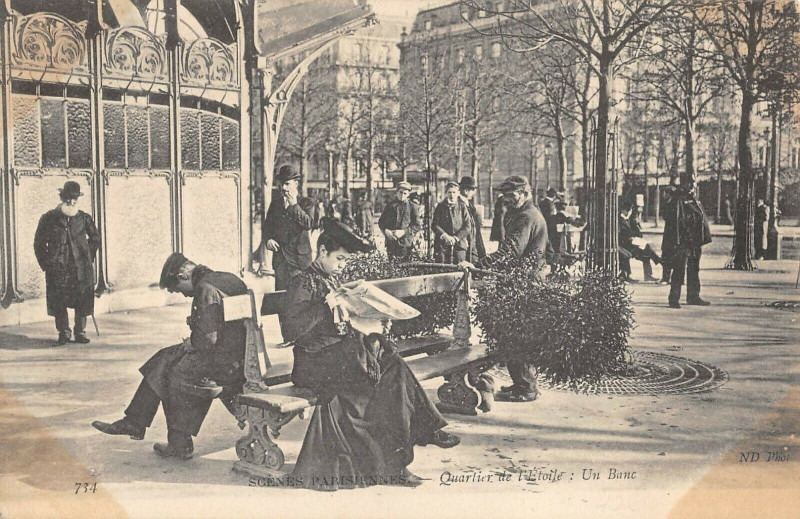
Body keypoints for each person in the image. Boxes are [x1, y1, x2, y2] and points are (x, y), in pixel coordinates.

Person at [286, 218, 460, 490]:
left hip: (338, 357)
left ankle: (411, 446)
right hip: (314, 362)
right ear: (322, 252)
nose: (342, 266)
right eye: (339, 259)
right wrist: (324, 306)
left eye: (345, 261)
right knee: (384, 379)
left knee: (392, 366)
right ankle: (411, 445)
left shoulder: (329, 279)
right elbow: (291, 329)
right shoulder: (302, 281)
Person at [91, 253, 249, 459]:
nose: (182, 294)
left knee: (171, 373)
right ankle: (136, 423)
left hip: (223, 362)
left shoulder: (205, 288)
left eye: (178, 289)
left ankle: (173, 441)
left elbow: (207, 340)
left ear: (183, 276)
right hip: (237, 354)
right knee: (164, 356)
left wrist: (191, 341)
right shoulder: (227, 278)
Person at [459, 176, 550, 403]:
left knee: (516, 336)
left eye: (512, 195)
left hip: (522, 285)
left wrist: (478, 267)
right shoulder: (525, 213)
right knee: (517, 335)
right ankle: (522, 383)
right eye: (505, 196)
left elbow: (510, 252)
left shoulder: (527, 216)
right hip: (523, 282)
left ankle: (526, 388)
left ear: (525, 193)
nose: (507, 200)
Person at [34, 181, 101, 346]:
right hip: (58, 268)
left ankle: (80, 332)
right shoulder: (49, 218)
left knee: (82, 298)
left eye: (75, 199)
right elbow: (39, 243)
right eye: (68, 198)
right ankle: (64, 332)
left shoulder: (84, 218)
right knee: (59, 300)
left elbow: (95, 238)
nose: (72, 202)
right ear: (62, 198)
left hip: (80, 268)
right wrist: (47, 263)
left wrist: (88, 256)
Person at [662, 178, 712, 308]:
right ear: (684, 183)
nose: (693, 185)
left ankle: (693, 296)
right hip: (683, 240)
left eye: (693, 183)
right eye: (690, 183)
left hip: (694, 240)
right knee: (679, 269)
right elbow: (676, 221)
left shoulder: (692, 198)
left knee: (694, 269)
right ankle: (674, 298)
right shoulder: (678, 199)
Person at [262, 165, 314, 290]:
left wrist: (294, 205)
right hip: (281, 261)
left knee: (299, 296)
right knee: (281, 296)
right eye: (282, 184)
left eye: (287, 184)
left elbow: (308, 224)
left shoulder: (307, 203)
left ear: (296, 183)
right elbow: (267, 227)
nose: (284, 188)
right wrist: (268, 240)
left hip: (299, 261)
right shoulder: (275, 204)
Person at [618, 202, 662, 282]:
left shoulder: (629, 219)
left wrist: (636, 235)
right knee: (646, 249)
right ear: (623, 210)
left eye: (630, 210)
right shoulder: (619, 220)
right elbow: (620, 235)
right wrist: (631, 239)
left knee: (646, 252)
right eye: (628, 210)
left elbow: (635, 232)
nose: (629, 212)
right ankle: (658, 259)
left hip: (631, 244)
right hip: (625, 246)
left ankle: (648, 275)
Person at [432, 181, 473, 264]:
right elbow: (435, 225)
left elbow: (467, 226)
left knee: (460, 266)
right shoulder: (440, 206)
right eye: (449, 192)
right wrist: (445, 236)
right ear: (446, 193)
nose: (452, 195)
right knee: (442, 267)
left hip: (459, 244)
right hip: (443, 245)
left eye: (454, 192)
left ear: (458, 193)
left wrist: (456, 238)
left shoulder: (462, 206)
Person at [378, 182, 421, 261]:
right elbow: (381, 222)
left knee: (405, 266)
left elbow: (417, 226)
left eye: (405, 193)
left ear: (408, 194)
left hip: (406, 244)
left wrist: (403, 232)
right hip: (391, 243)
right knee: (392, 266)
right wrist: (386, 231)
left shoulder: (412, 207)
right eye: (400, 192)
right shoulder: (390, 206)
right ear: (397, 192)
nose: (402, 195)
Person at [460, 176, 486, 263]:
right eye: (473, 190)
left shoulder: (469, 205)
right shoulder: (459, 205)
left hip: (472, 244)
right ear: (466, 191)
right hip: (464, 246)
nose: (474, 193)